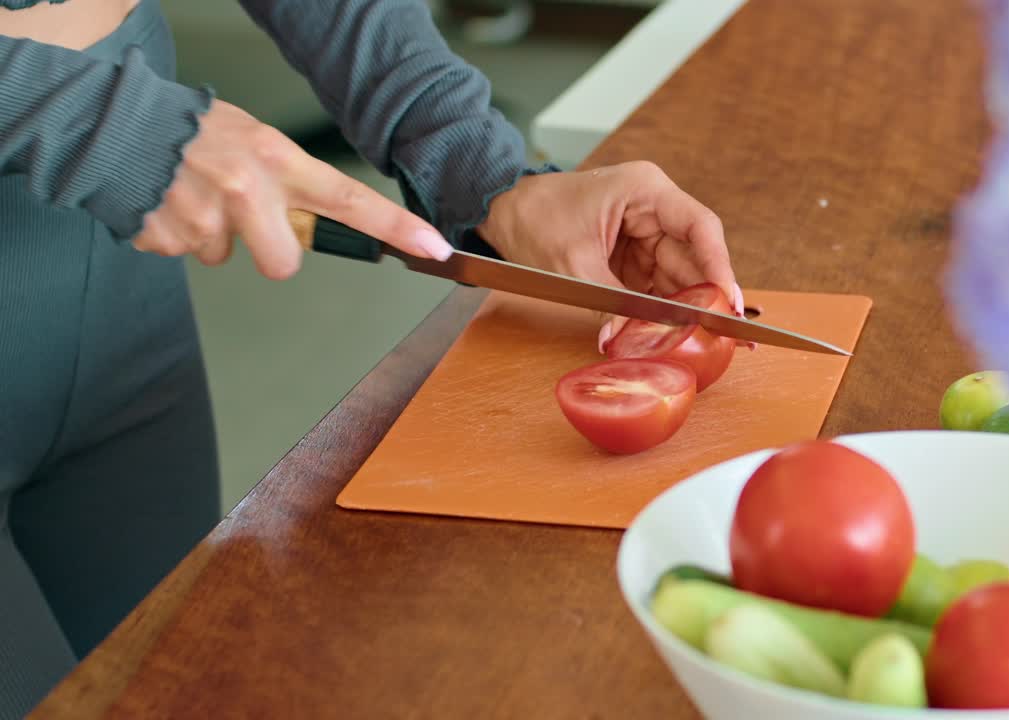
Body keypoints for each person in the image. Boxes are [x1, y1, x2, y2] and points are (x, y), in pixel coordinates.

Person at [0, 0, 741, 716]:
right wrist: (91, 118)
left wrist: (476, 166)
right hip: (113, 142)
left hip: (123, 295)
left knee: (183, 686)